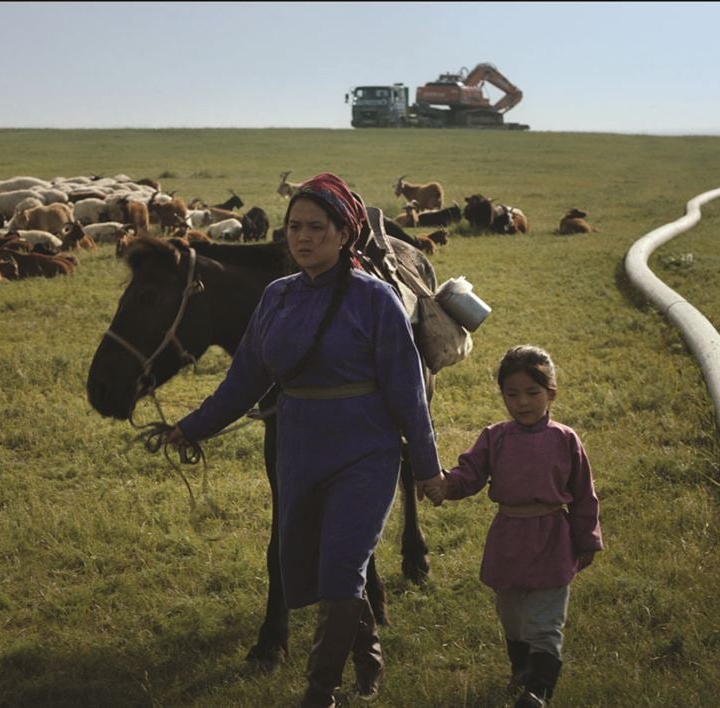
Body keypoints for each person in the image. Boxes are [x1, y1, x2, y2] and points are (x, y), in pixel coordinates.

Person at [164, 173, 443, 707]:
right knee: (316, 566)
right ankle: (369, 651)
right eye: (295, 227)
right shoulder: (277, 297)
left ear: (344, 234)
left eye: (317, 227)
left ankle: (320, 693)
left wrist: (427, 469)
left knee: (340, 569)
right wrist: (191, 426)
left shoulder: (377, 299)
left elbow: (409, 392)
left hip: (366, 449)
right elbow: (243, 379)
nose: (303, 237)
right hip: (298, 450)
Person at [421, 345, 602, 707]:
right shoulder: (496, 437)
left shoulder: (565, 439)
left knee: (546, 623)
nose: (522, 403)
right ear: (502, 395)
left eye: (533, 393)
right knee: (513, 618)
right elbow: (469, 475)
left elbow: (584, 494)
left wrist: (587, 541)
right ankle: (521, 670)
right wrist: (445, 485)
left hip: (552, 538)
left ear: (551, 393)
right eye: (512, 394)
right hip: (509, 538)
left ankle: (538, 691)